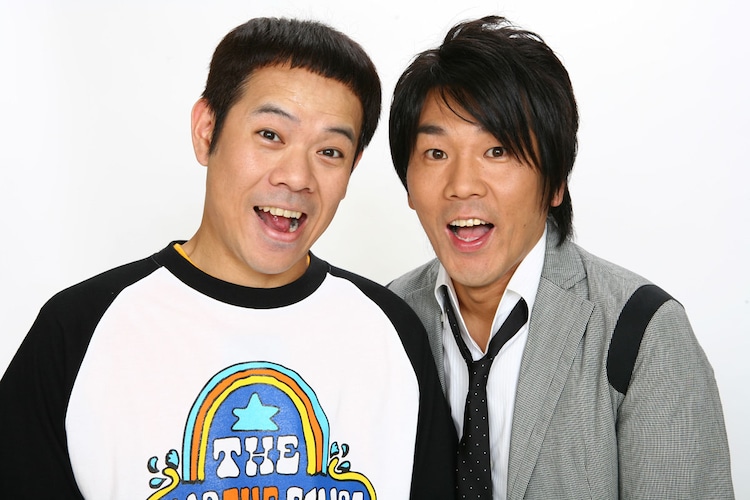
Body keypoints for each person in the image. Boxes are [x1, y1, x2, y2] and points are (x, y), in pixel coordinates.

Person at [0, 17, 456, 500]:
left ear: (352, 168)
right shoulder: (77, 331)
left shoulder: (391, 333)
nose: (297, 177)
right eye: (270, 135)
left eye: (329, 151)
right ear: (206, 130)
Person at [388, 15, 733, 500]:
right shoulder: (384, 321)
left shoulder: (643, 332)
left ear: (555, 183)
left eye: (497, 150)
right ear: (408, 183)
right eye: (436, 153)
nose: (462, 185)